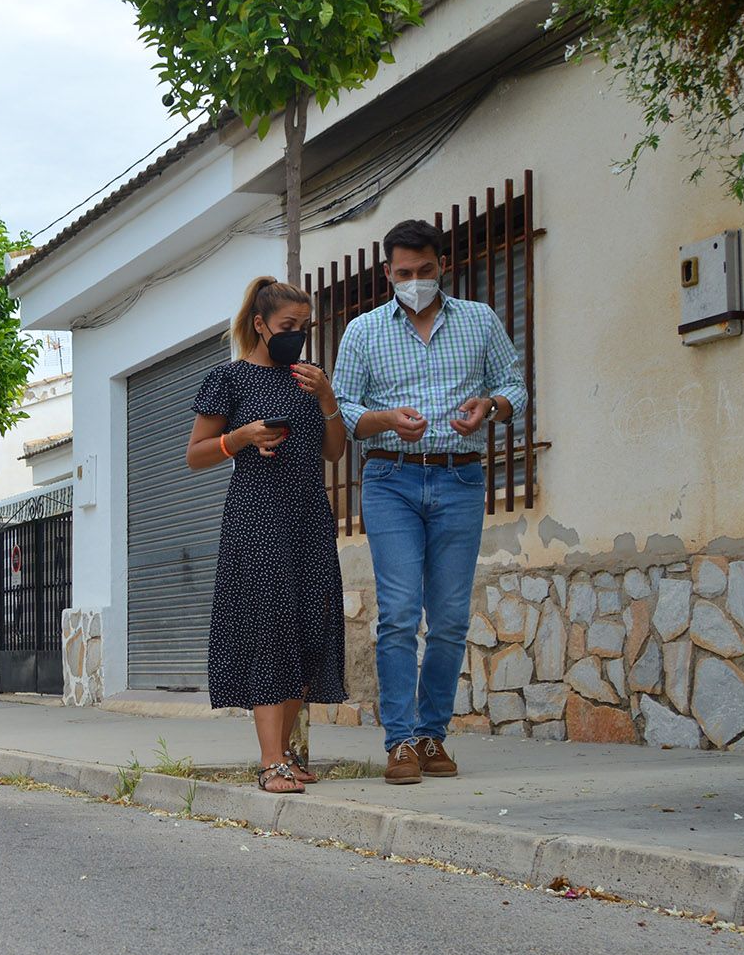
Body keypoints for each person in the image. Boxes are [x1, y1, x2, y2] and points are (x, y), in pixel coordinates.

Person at [332, 219, 527, 785]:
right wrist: (386, 419)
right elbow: (342, 412)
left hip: (459, 479)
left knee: (446, 619)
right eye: (403, 273)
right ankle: (398, 743)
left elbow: (514, 387)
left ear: (442, 266)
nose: (414, 281)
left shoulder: (480, 321)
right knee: (396, 614)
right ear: (387, 272)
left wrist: (489, 406)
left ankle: (431, 736)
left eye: (424, 271)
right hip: (390, 478)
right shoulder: (363, 332)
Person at [186, 276, 349, 793]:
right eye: (287, 327)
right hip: (257, 516)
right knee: (269, 628)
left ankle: (289, 755)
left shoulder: (310, 378)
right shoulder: (227, 379)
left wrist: (327, 398)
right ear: (259, 324)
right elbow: (195, 455)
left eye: (304, 327)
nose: (297, 336)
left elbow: (335, 452)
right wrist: (242, 436)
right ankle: (270, 759)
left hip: (309, 515)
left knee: (307, 625)